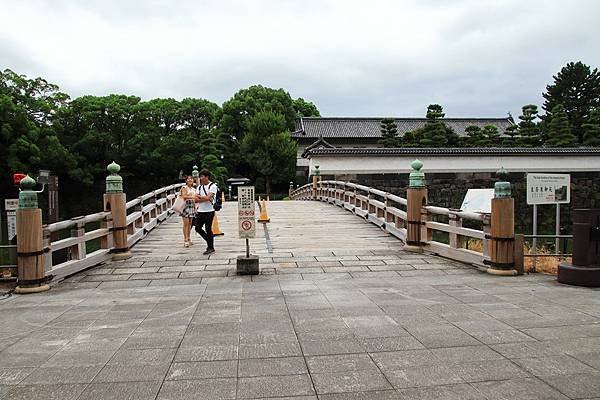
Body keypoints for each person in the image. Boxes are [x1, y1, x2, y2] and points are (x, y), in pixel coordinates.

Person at [194, 169, 218, 255]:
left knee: (208, 228)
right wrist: (203, 198)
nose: (200, 178)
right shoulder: (199, 187)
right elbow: (196, 200)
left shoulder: (213, 186)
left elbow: (208, 198)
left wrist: (200, 197)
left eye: (202, 176)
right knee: (197, 228)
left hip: (209, 210)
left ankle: (210, 247)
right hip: (200, 210)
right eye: (200, 176)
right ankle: (209, 240)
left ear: (207, 177)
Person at [179, 176, 197, 247]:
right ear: (186, 181)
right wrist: (193, 197)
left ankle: (189, 238)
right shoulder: (184, 187)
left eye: (191, 179)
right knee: (185, 223)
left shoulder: (193, 189)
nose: (190, 180)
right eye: (188, 179)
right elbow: (184, 196)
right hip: (185, 206)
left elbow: (195, 198)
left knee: (190, 224)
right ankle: (185, 239)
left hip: (192, 205)